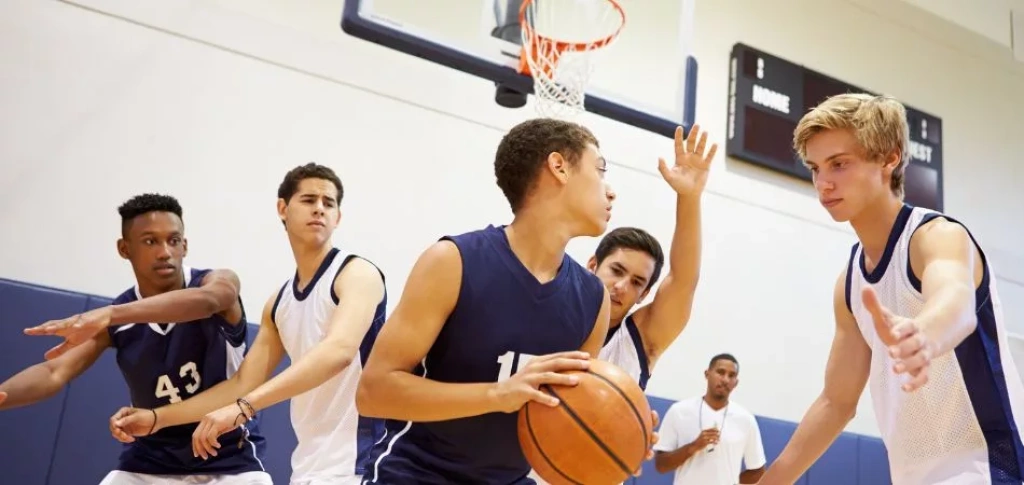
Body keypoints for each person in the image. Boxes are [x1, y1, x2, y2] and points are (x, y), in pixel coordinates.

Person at [355, 118, 656, 484]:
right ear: (559, 166)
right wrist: (497, 394)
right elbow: (374, 392)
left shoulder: (593, 299)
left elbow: (571, 415)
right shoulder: (452, 261)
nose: (610, 191)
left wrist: (619, 431)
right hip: (419, 474)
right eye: (600, 169)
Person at [756, 93, 1024, 484]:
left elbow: (956, 300)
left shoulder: (937, 237)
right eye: (815, 168)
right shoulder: (849, 285)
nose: (823, 182)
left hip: (989, 469)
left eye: (839, 164)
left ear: (888, 158)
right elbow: (836, 402)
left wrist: (925, 334)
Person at [110, 164, 389, 485]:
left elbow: (338, 351)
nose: (319, 209)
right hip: (311, 465)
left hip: (364, 462)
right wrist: (158, 418)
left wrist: (244, 407)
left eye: (329, 203)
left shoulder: (356, 273)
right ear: (283, 208)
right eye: (309, 199)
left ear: (338, 217)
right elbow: (243, 382)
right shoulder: (279, 302)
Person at [0, 193, 271, 485]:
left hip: (230, 459)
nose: (165, 251)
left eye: (174, 240)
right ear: (124, 248)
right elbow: (54, 371)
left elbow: (208, 301)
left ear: (185, 245)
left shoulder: (215, 283)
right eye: (151, 241)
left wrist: (111, 314)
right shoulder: (117, 319)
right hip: (149, 462)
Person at [593, 124, 716, 390]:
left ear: (645, 295)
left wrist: (689, 197)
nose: (622, 286)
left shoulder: (641, 338)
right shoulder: (554, 312)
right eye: (616, 270)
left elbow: (683, 280)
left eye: (638, 282)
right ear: (593, 265)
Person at [653, 353, 766, 485]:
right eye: (720, 372)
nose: (725, 379)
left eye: (731, 375)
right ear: (707, 374)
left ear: (736, 383)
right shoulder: (679, 411)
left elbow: (758, 470)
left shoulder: (746, 420)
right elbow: (661, 465)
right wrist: (693, 446)